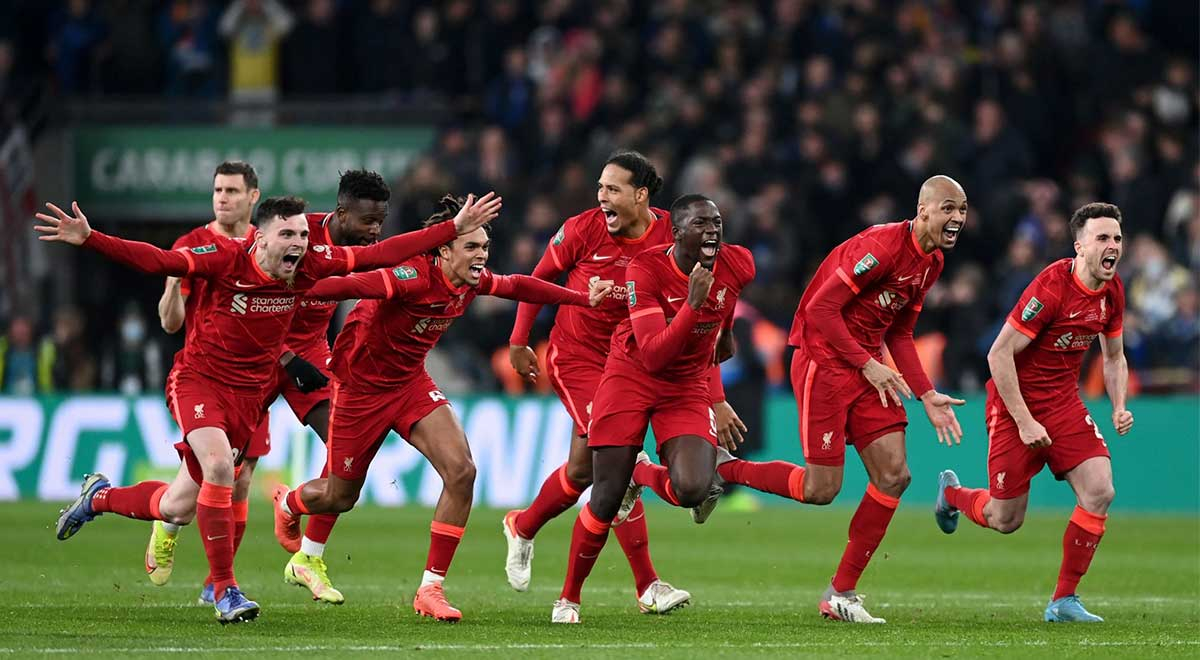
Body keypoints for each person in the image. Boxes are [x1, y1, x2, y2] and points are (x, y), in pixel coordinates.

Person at [44, 191, 500, 624]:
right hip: (200, 381)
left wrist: (452, 229)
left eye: (304, 236)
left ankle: (99, 497)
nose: (299, 245)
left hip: (249, 393)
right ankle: (225, 590)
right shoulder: (225, 259)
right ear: (259, 238)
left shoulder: (310, 266)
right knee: (223, 468)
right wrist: (90, 238)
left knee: (176, 506)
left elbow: (382, 253)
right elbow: (159, 260)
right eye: (288, 236)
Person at [273, 195, 611, 623]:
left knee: (462, 470)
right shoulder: (412, 276)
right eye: (472, 247)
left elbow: (519, 285)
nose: (481, 255)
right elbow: (352, 285)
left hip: (411, 382)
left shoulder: (471, 281)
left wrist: (582, 298)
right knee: (341, 496)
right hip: (360, 389)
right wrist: (291, 283)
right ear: (445, 248)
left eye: (485, 247)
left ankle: (430, 588)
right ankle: (290, 504)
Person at [551, 194, 755, 624]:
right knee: (605, 498)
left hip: (684, 387)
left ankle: (638, 474)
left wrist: (727, 332)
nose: (713, 230)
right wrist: (693, 305)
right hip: (631, 376)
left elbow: (728, 297)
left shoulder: (740, 263)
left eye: (717, 222)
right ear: (677, 233)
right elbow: (655, 354)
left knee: (692, 490)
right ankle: (568, 598)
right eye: (701, 223)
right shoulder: (643, 270)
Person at [503, 150, 690, 613]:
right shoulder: (581, 229)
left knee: (585, 471)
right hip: (579, 357)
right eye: (599, 187)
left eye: (612, 189)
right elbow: (537, 280)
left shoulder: (670, 233)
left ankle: (523, 525)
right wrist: (519, 339)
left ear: (641, 195)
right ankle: (648, 585)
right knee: (619, 459)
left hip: (632, 359)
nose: (601, 196)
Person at [935, 202, 1131, 623]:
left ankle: (1063, 601)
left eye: (1116, 238)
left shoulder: (1112, 292)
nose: (1112, 245)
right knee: (1005, 519)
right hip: (1013, 406)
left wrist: (1118, 406)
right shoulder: (1051, 288)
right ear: (1079, 246)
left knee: (1100, 490)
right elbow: (999, 353)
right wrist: (1024, 420)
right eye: (1102, 238)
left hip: (1063, 404)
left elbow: (1113, 357)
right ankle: (951, 496)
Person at [786, 175, 968, 624]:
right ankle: (724, 467)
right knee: (820, 489)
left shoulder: (933, 262)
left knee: (895, 475)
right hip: (823, 360)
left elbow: (901, 333)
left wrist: (926, 393)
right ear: (923, 209)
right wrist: (867, 364)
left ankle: (841, 592)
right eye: (949, 208)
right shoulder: (884, 247)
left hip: (869, 367)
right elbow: (819, 310)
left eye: (963, 210)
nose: (958, 218)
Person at [148, 160, 272, 603]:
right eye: (218, 190)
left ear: (252, 197)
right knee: (217, 473)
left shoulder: (266, 243)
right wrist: (173, 283)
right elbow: (169, 323)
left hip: (256, 381)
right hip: (207, 377)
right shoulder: (193, 246)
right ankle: (182, 542)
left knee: (241, 480)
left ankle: (214, 582)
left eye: (233, 191)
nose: (223, 198)